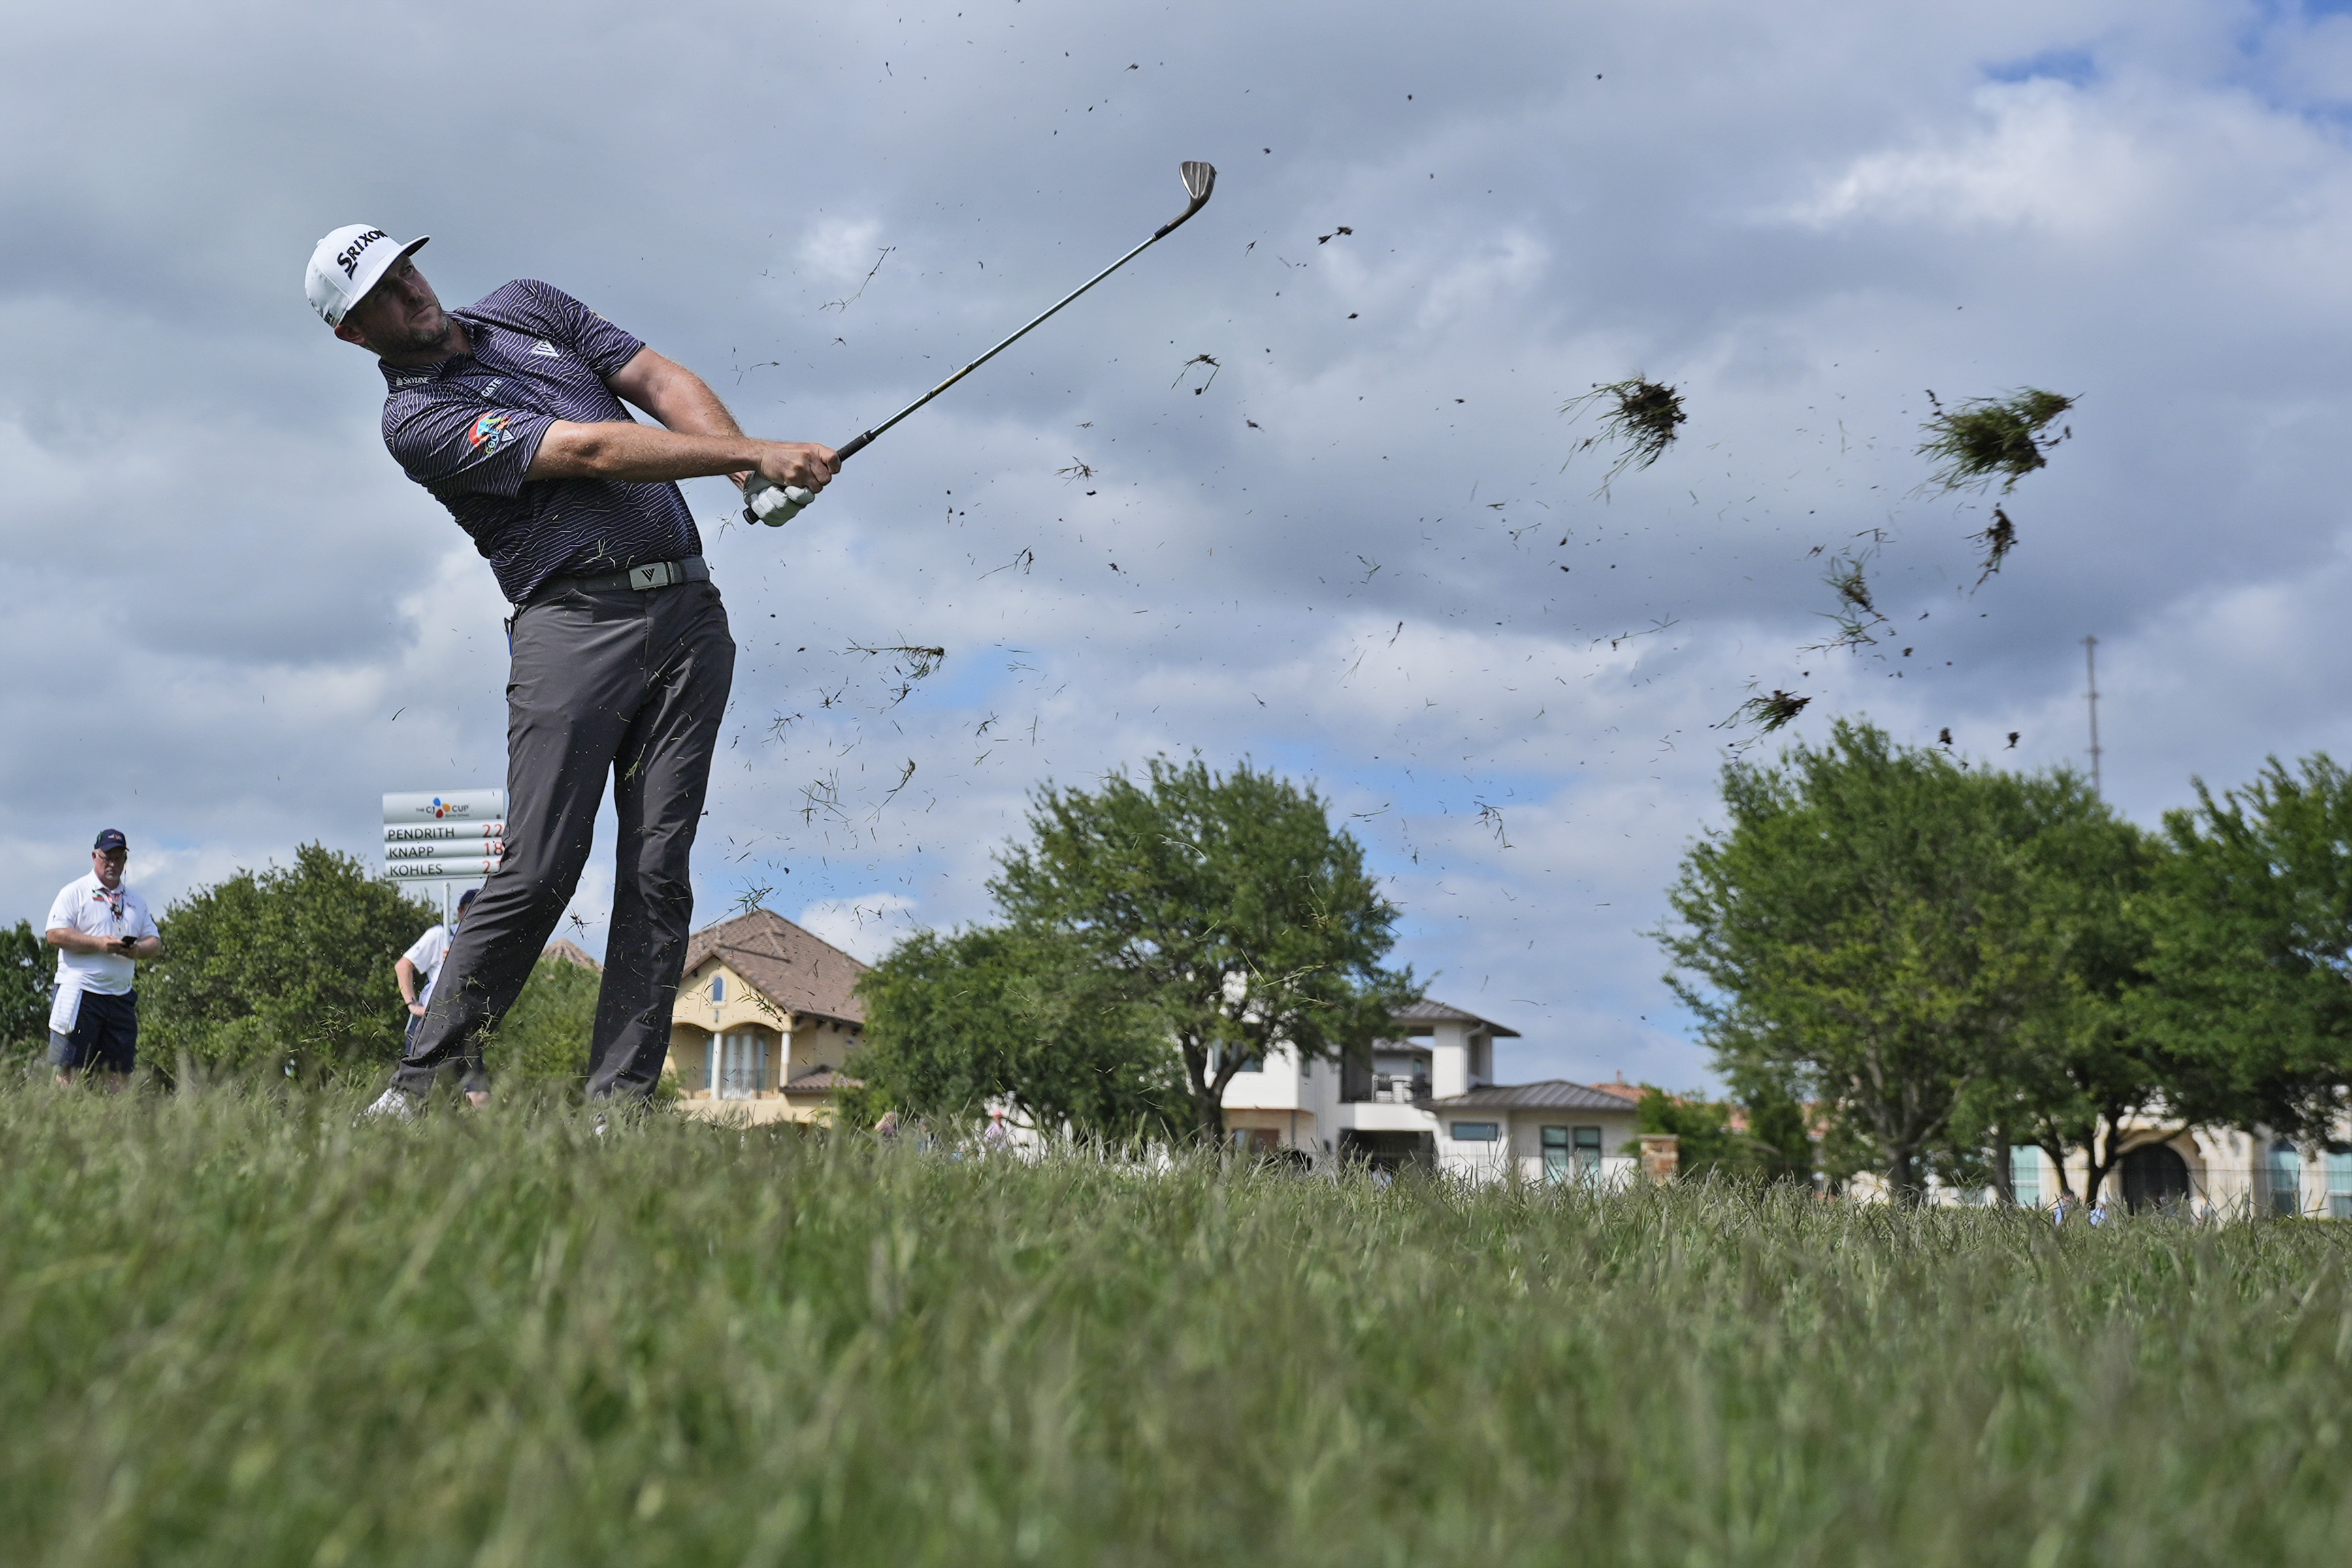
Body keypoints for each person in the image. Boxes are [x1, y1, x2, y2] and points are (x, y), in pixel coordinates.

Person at [305, 225, 838, 1117]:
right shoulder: (416, 420)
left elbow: (658, 383)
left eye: (407, 271)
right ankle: (418, 1089)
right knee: (541, 863)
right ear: (355, 335)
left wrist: (746, 474)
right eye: (383, 298)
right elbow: (589, 449)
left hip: (688, 616)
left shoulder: (525, 304)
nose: (411, 294)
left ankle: (615, 1113)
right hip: (573, 625)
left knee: (659, 869)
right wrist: (755, 455)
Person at [44, 829, 161, 1090]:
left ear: (125, 860)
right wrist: (100, 944)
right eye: (107, 857)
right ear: (95, 856)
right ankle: (61, 1124)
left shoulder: (135, 901)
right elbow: (55, 935)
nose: (113, 864)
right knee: (70, 1070)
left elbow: (155, 941)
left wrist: (137, 950)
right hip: (80, 994)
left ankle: (115, 1127)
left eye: (119, 858)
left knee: (119, 1074)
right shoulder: (74, 892)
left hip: (120, 997)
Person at [395, 889, 481, 1103]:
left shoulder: (481, 944)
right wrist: (412, 1004)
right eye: (473, 908)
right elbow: (404, 965)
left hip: (463, 1022)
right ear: (461, 911)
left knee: (477, 1089)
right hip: (429, 1021)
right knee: (418, 1088)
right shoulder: (441, 935)